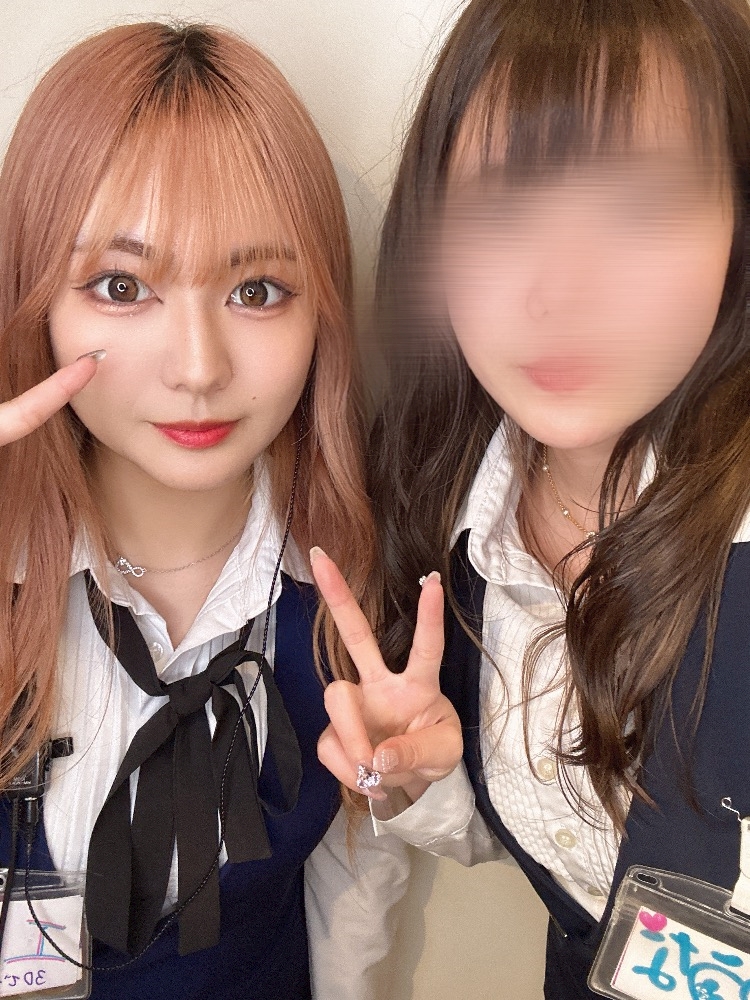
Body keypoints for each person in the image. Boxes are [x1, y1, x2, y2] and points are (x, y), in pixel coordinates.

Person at [310, 0, 750, 996]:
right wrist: (421, 778)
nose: (561, 290)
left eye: (641, 208)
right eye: (503, 212)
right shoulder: (453, 519)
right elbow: (566, 841)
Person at [0, 22, 410, 1000]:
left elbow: (353, 892)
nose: (197, 367)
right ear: (35, 300)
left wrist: (398, 787)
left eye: (257, 290)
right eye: (121, 286)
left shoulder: (358, 581)